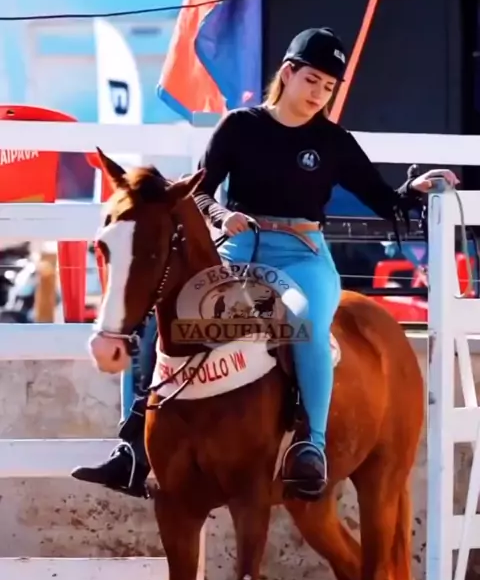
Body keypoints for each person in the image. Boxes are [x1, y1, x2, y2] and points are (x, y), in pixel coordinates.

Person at [71, 26, 458, 501]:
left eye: (328, 87)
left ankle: (311, 445)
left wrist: (415, 191)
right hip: (237, 249)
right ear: (288, 73)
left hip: (303, 255)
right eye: (311, 80)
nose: (318, 94)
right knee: (166, 309)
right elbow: (198, 192)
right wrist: (222, 215)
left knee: (305, 323)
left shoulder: (333, 141)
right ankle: (133, 444)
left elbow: (383, 199)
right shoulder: (239, 126)